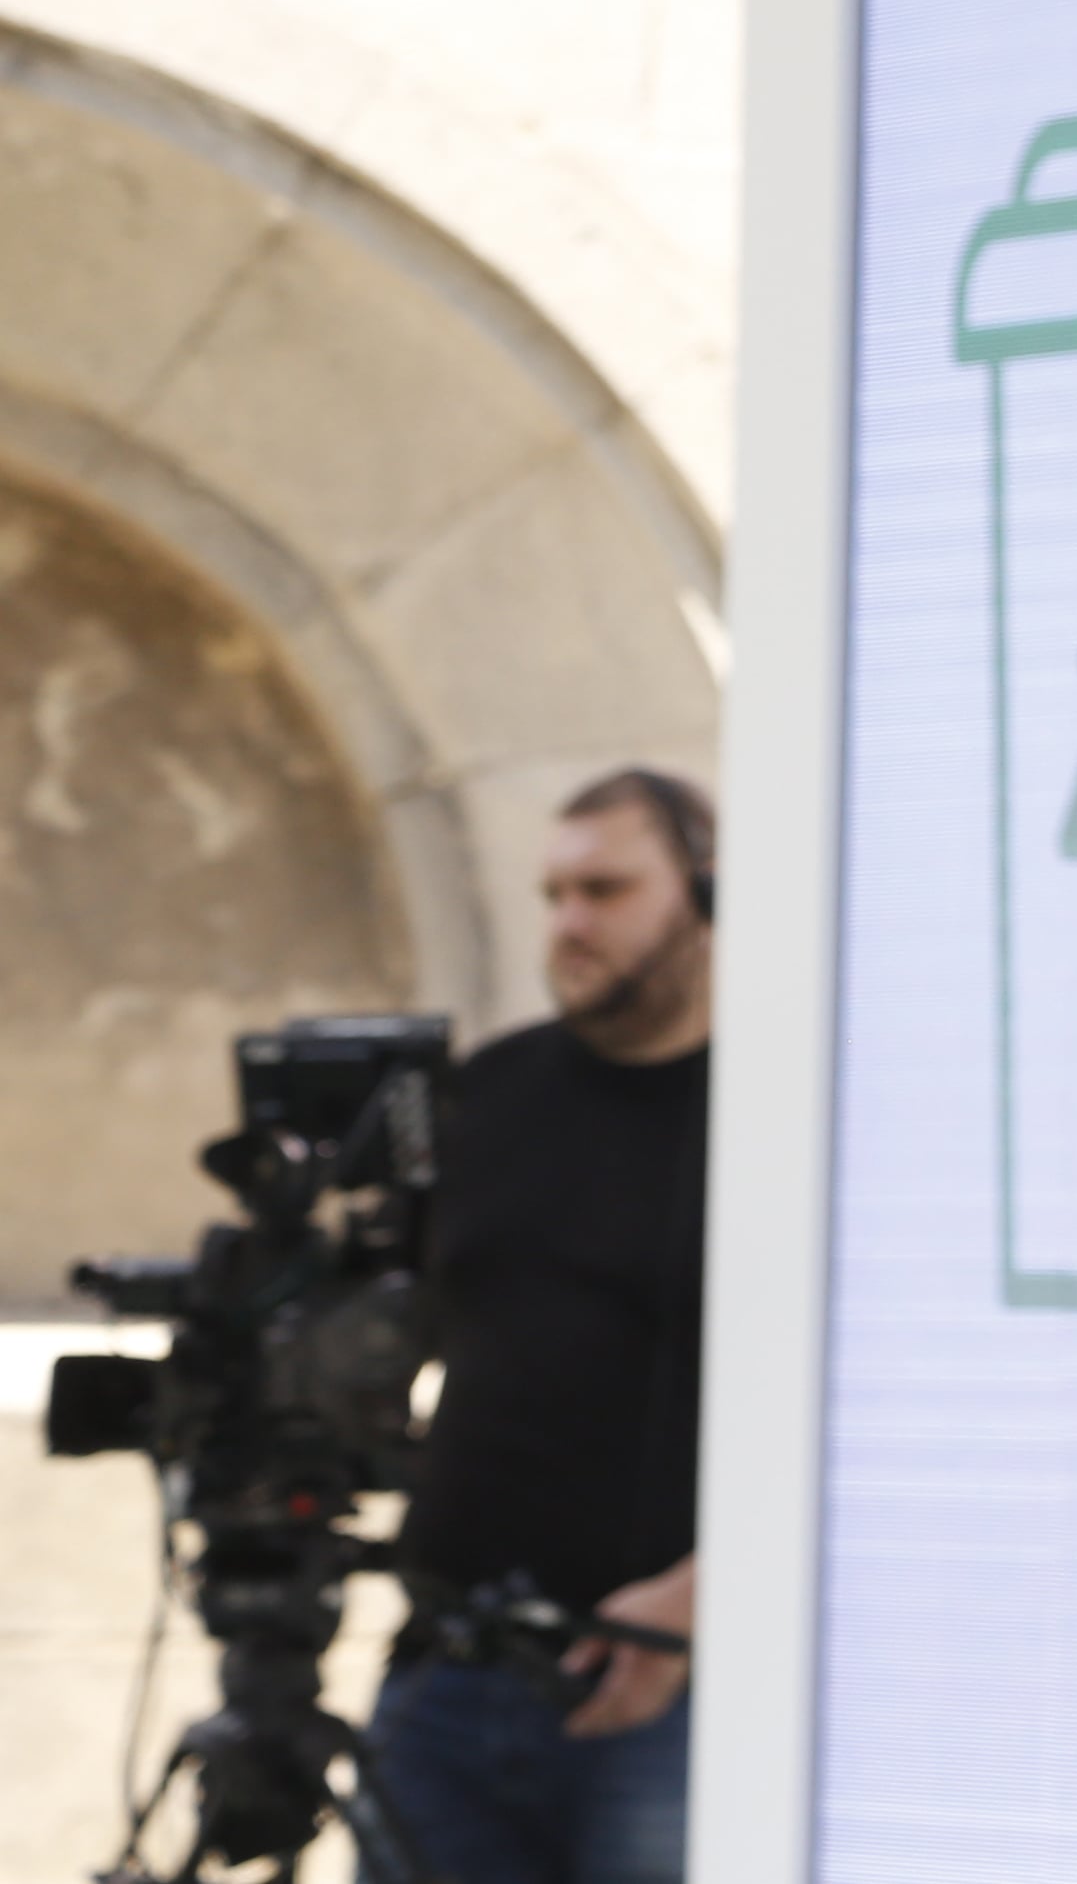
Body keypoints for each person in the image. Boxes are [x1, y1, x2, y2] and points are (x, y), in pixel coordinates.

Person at [364, 768, 714, 1884]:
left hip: (663, 1695)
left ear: (711, 893)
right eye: (553, 894)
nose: (568, 923)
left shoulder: (784, 1112)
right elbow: (382, 1329)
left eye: (605, 891)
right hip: (444, 1678)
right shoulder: (487, 1094)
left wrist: (702, 1602)